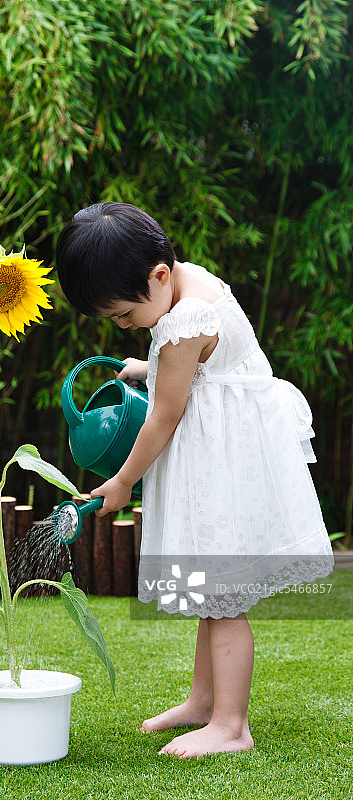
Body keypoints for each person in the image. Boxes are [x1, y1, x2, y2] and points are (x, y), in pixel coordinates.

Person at [55, 202, 334, 759]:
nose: (125, 326)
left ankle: (231, 725)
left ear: (157, 276)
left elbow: (164, 414)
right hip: (224, 446)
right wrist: (144, 366)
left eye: (123, 317)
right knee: (210, 587)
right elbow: (197, 361)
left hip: (223, 460)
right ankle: (204, 702)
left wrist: (121, 481)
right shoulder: (184, 279)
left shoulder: (182, 321)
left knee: (225, 596)